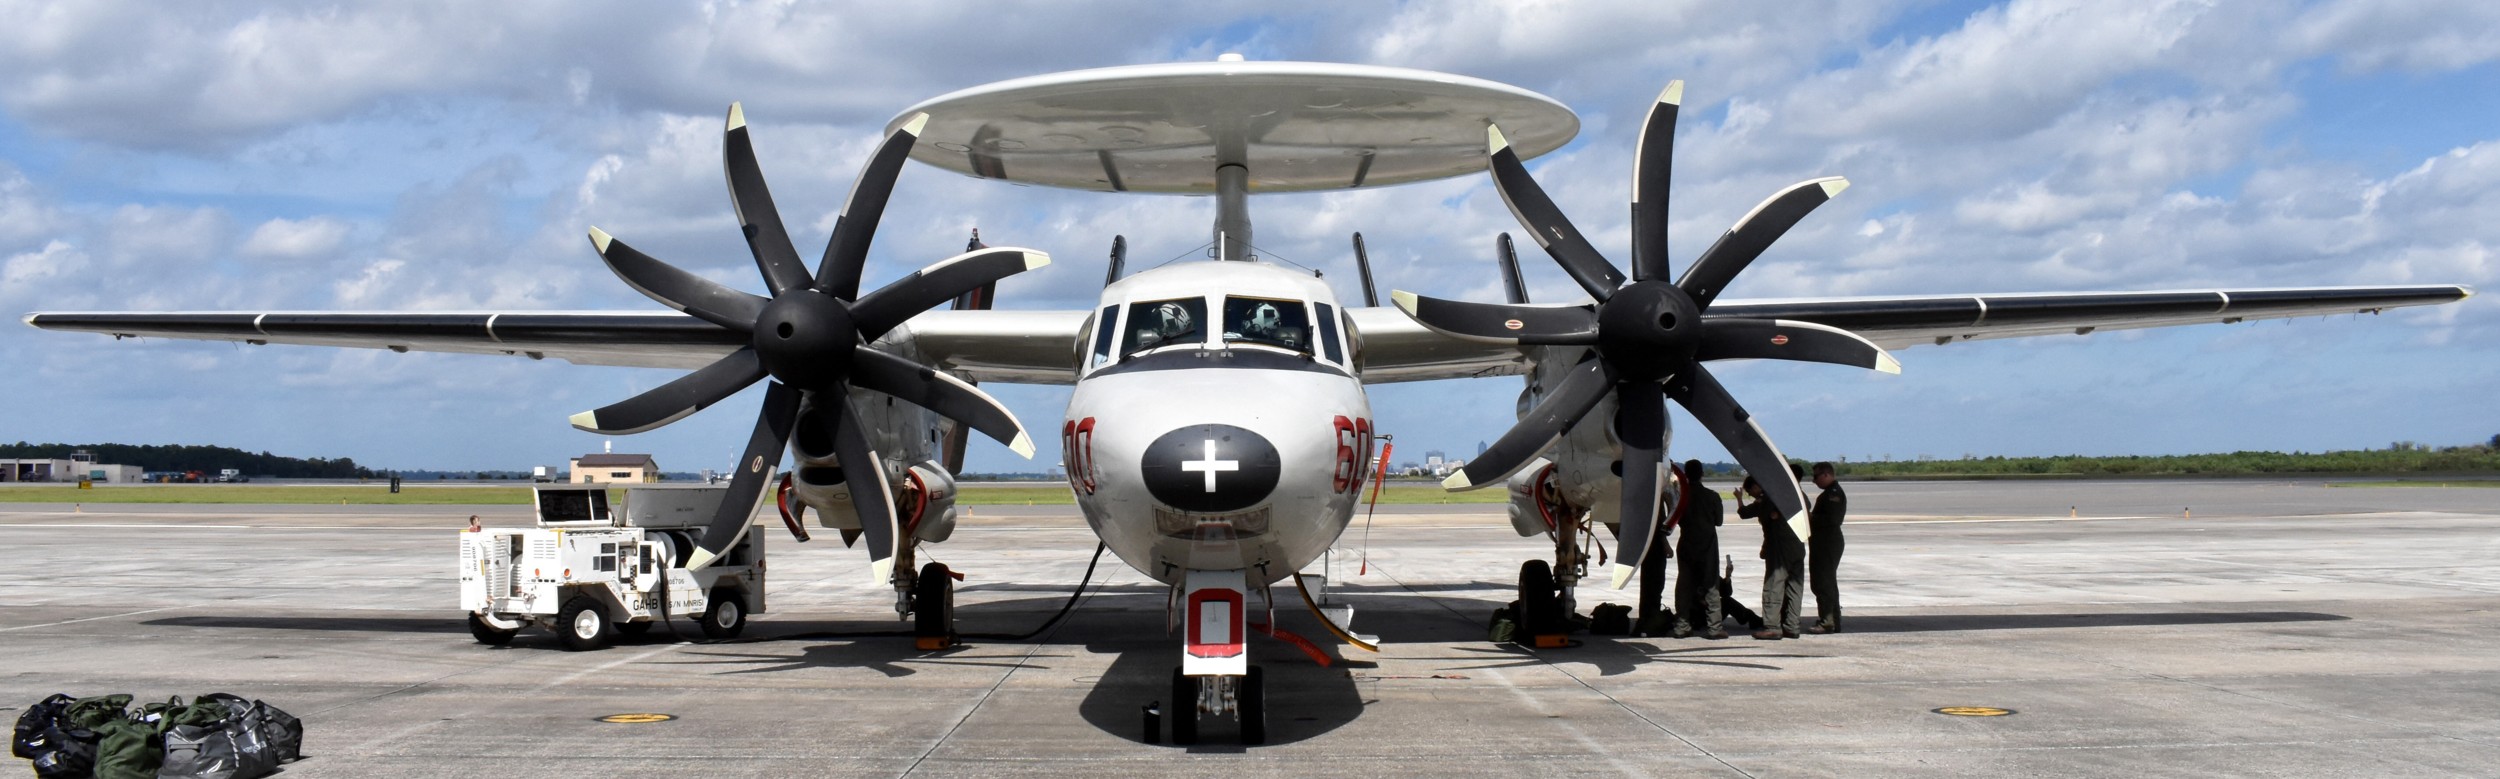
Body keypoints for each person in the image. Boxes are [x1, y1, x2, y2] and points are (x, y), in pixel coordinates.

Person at [1737, 474, 1805, 639]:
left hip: (1780, 547)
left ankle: (1773, 626)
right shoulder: (1794, 493)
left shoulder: (1767, 498)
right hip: (1797, 544)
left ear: (1756, 487)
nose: (1751, 495)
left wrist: (1739, 500)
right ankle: (1792, 626)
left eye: (1749, 491)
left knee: (1774, 585)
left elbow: (1745, 513)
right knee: (1794, 587)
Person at [1671, 460, 1724, 639]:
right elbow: (1719, 521)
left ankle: (1682, 625)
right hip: (1707, 544)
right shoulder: (1712, 496)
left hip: (1686, 542)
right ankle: (1714, 626)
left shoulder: (1680, 496)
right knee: (1711, 585)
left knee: (1684, 586)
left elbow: (1674, 518)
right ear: (1702, 474)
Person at [1806, 462, 1848, 634]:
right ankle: (1831, 620)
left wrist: (1810, 517)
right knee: (1824, 583)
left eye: (1816, 476)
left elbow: (1832, 520)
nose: (1814, 480)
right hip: (1823, 542)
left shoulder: (1833, 495)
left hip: (1827, 542)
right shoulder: (1827, 494)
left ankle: (1827, 621)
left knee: (1824, 583)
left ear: (1826, 475)